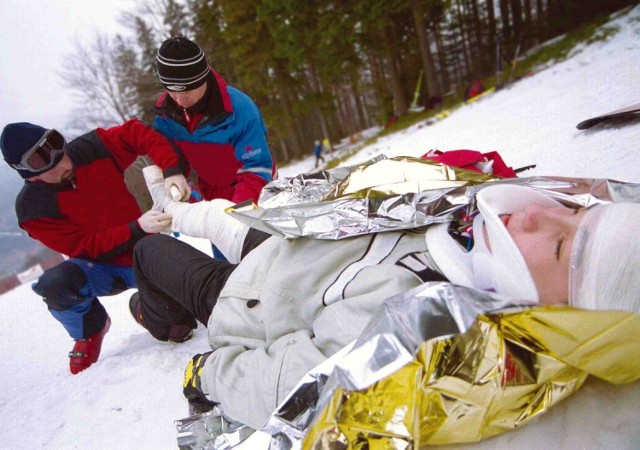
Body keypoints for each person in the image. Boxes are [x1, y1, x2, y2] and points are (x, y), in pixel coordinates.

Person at [131, 172, 640, 428]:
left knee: (149, 252)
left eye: (559, 244)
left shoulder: (417, 319)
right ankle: (176, 212)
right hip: (295, 249)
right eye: (571, 214)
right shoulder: (466, 231)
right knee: (193, 219)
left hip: (246, 298)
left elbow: (288, 385)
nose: (535, 216)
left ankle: (162, 320)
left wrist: (206, 373)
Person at [0, 121, 191, 374]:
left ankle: (144, 308)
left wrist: (172, 169)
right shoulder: (32, 210)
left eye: (64, 156)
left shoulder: (91, 149)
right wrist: (136, 228)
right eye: (54, 167)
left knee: (178, 328)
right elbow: (84, 246)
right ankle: (91, 329)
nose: (67, 165)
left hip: (145, 251)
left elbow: (136, 133)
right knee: (55, 285)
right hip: (100, 268)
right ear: (31, 175)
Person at [153, 35, 277, 205]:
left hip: (258, 190)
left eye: (186, 92)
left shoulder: (240, 109)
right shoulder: (166, 115)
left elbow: (257, 167)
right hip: (214, 194)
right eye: (172, 93)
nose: (180, 101)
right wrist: (174, 177)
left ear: (202, 79)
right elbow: (171, 158)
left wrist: (240, 210)